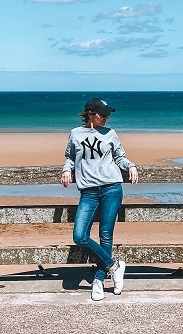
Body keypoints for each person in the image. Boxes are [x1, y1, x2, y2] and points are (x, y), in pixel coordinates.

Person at [60, 97, 139, 301]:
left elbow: (120, 156)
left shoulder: (110, 133)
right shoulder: (76, 134)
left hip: (112, 188)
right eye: (102, 114)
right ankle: (114, 266)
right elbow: (69, 156)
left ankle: (99, 279)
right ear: (91, 114)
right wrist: (67, 170)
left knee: (106, 235)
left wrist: (130, 166)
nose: (106, 117)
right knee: (79, 236)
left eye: (108, 114)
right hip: (89, 192)